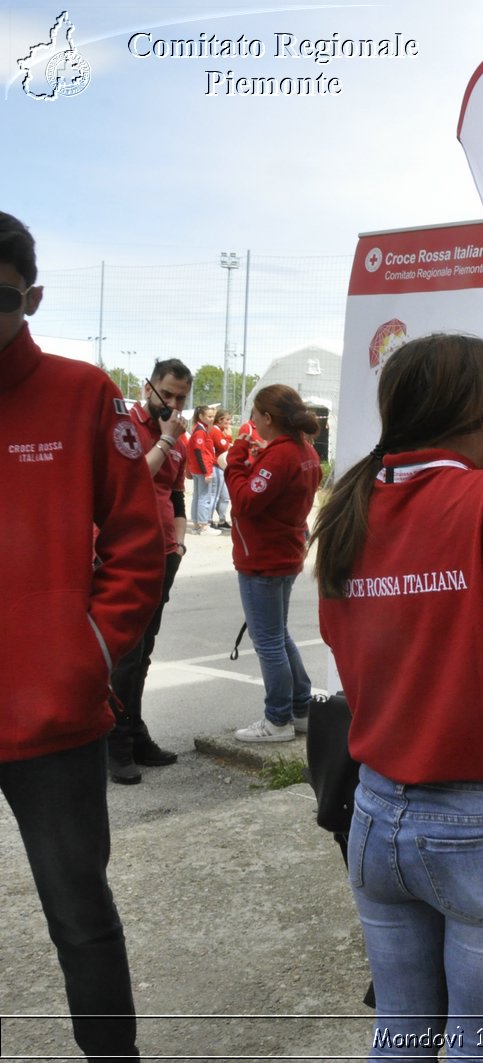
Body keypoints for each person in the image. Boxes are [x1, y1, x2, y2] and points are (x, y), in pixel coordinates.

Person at [313, 333, 483, 1059]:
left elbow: (347, 648)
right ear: (477, 406)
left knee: (400, 1033)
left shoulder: (351, 502)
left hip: (376, 812)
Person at [0, 210, 164, 1061]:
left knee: (78, 912)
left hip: (53, 718)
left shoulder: (81, 393)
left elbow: (141, 539)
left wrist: (87, 654)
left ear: (31, 296)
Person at [107, 357, 194, 784]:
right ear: (149, 388)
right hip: (126, 552)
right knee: (126, 651)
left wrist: (178, 541)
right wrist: (164, 440)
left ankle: (136, 733)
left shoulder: (180, 436)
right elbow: (133, 481)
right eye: (168, 394)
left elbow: (176, 493)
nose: (174, 404)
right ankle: (115, 740)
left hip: (163, 552)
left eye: (182, 397)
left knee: (144, 651)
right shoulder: (128, 428)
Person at [227, 385, 324, 742]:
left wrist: (237, 458)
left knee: (267, 640)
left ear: (268, 418)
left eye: (255, 414)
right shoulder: (304, 450)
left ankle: (277, 719)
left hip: (264, 560)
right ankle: (300, 708)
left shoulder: (282, 455)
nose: (252, 421)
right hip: (284, 554)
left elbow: (245, 501)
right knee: (278, 635)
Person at [187, 403, 218, 533]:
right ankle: (203, 525)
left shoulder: (199, 429)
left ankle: (196, 524)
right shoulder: (200, 431)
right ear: (201, 416)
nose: (212, 419)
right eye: (209, 416)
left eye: (213, 416)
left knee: (198, 496)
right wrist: (206, 472)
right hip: (202, 469)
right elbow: (198, 452)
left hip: (197, 468)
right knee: (204, 497)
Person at [209, 408, 233, 530]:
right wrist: (229, 437)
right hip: (216, 465)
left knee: (225, 496)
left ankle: (222, 519)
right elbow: (223, 447)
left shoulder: (220, 431)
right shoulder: (215, 431)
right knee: (215, 494)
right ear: (220, 420)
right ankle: (208, 520)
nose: (229, 422)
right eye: (227, 420)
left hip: (220, 466)